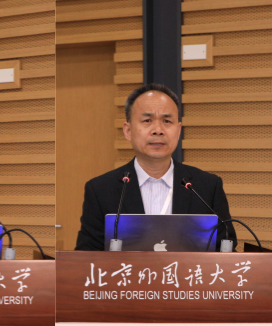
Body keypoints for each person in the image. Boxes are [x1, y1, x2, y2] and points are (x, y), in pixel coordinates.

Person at [75, 83, 236, 251]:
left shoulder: (207, 188)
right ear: (128, 131)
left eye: (167, 121)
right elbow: (87, 256)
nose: (158, 130)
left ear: (178, 130)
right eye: (147, 121)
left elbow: (227, 250)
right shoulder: (101, 190)